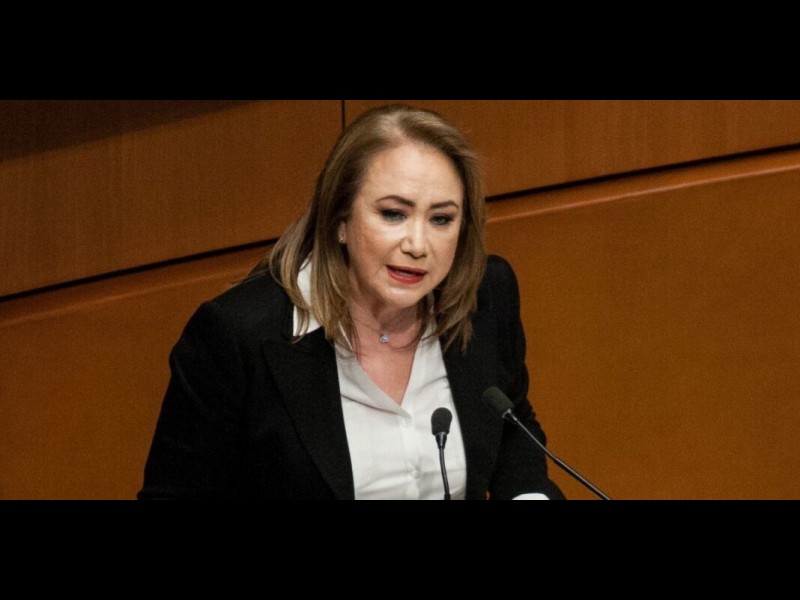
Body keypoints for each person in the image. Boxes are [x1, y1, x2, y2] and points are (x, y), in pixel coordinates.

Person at [138, 103, 565, 500]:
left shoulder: (485, 295)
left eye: (441, 219)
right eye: (393, 214)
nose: (418, 245)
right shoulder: (237, 337)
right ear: (339, 220)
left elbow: (512, 426)